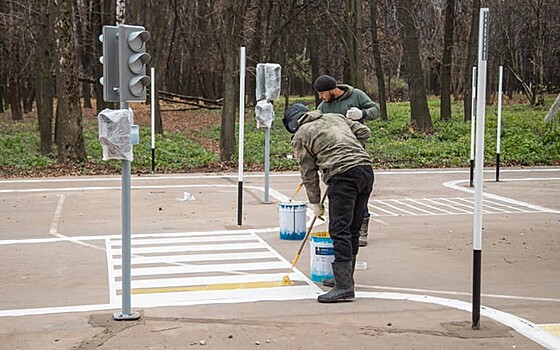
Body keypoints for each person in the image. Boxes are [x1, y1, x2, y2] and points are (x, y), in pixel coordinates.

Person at [282, 103, 374, 303]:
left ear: (292, 124)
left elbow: (308, 173)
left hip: (343, 176)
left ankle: (343, 286)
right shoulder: (336, 117)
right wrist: (348, 148)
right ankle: (344, 277)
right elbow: (364, 132)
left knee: (339, 229)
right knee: (353, 229)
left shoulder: (301, 135)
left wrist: (315, 203)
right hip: (365, 170)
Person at [314, 74, 380, 248]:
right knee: (344, 197)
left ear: (332, 89)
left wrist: (362, 113)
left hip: (356, 154)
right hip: (335, 159)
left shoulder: (356, 95)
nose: (321, 97)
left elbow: (375, 110)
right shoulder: (323, 107)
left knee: (358, 195)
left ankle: (361, 229)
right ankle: (347, 231)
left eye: (322, 93)